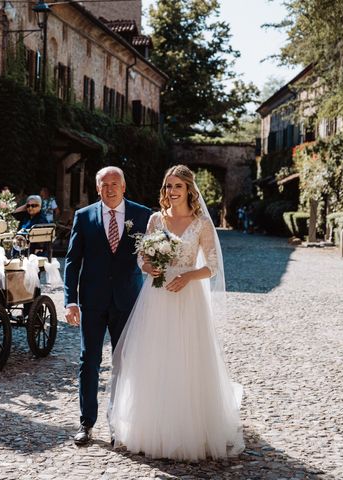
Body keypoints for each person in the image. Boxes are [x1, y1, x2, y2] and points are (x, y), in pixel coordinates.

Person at [109, 164, 244, 461]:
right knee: (155, 358)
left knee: (186, 359)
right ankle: (152, 429)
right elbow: (143, 257)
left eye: (177, 187)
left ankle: (188, 431)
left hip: (188, 296)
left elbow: (212, 266)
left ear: (189, 190)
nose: (172, 192)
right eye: (168, 186)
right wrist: (147, 266)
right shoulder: (157, 219)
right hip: (156, 296)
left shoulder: (201, 224)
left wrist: (188, 276)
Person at [64, 166, 151, 446]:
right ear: (97, 187)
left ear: (124, 187)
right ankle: (86, 423)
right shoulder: (84, 216)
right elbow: (72, 261)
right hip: (92, 301)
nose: (110, 188)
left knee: (124, 362)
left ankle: (120, 422)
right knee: (88, 360)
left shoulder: (143, 215)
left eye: (115, 183)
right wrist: (70, 301)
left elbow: (152, 255)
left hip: (128, 300)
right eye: (104, 184)